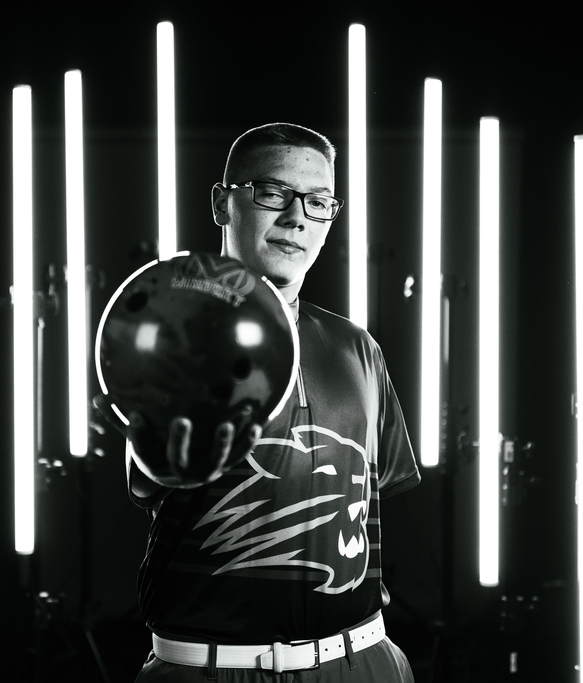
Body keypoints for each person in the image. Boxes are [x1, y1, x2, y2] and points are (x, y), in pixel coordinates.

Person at [120, 122, 420, 680]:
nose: (297, 216)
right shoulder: (170, 338)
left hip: (359, 660)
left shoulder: (358, 348)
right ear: (222, 203)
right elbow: (156, 474)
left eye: (319, 201)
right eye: (273, 192)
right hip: (212, 669)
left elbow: (373, 498)